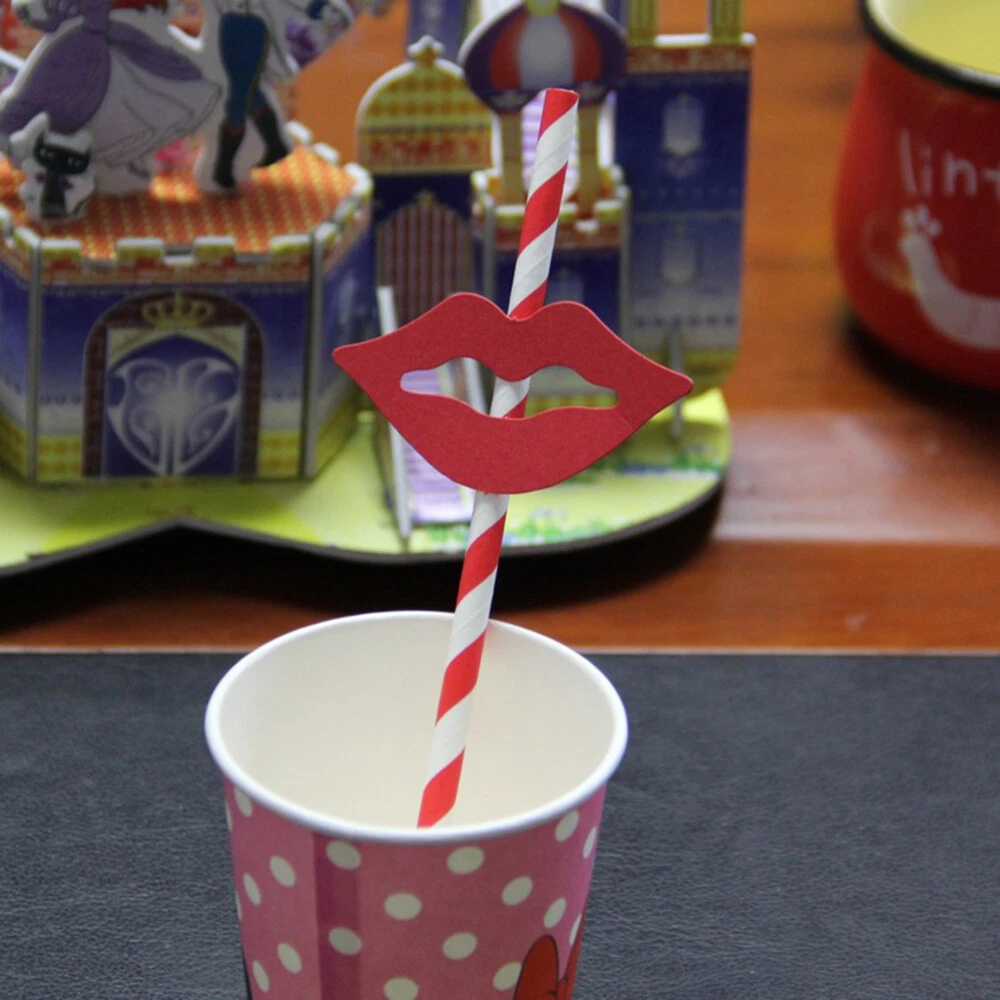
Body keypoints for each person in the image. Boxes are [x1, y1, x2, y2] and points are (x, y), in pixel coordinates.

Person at [206, 0, 355, 191]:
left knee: (238, 96)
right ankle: (274, 144)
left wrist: (322, 10)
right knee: (249, 91)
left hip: (250, 24)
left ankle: (223, 170)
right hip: (227, 23)